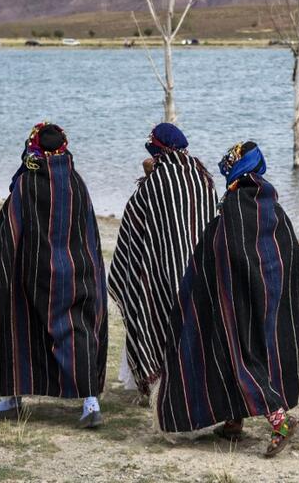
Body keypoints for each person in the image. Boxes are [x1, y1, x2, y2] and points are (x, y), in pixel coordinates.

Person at [154, 141, 299, 458]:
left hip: (236, 298)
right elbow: (288, 251)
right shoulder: (272, 204)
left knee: (239, 352)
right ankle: (234, 421)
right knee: (256, 350)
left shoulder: (234, 206)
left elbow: (224, 250)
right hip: (270, 295)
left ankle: (280, 421)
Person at [0, 122, 109, 428]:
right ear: (63, 147)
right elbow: (89, 234)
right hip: (75, 272)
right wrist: (91, 268)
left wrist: (1, 269)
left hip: (29, 272)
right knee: (77, 330)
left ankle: (13, 398)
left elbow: (11, 230)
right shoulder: (75, 182)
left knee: (17, 326)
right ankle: (90, 402)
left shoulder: (26, 183)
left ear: (34, 146)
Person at [108, 123, 218, 395]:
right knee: (193, 327)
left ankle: (162, 383)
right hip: (200, 273)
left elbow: (134, 224)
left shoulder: (156, 181)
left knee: (156, 312)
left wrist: (148, 176)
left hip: (162, 273)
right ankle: (193, 383)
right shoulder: (203, 178)